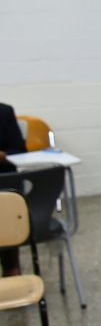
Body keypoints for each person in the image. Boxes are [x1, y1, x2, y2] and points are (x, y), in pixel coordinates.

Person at [0, 102, 27, 276]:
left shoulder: (4, 112)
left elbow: (20, 150)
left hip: (3, 181)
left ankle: (11, 268)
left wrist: (4, 156)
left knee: (7, 205)